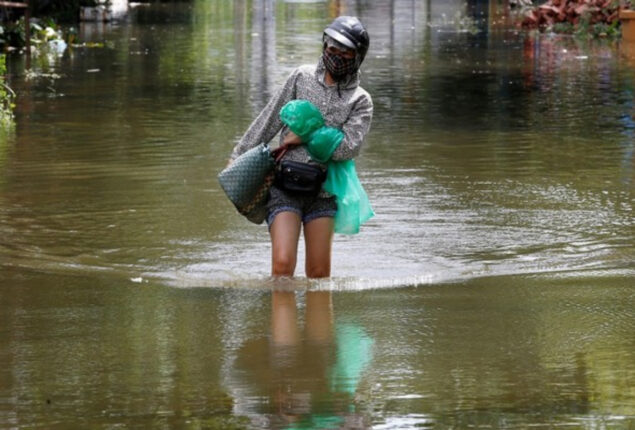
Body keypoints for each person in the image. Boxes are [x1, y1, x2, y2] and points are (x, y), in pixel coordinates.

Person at [229, 16, 373, 278]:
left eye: (345, 52)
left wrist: (304, 134)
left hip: (324, 192)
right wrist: (238, 156)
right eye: (332, 48)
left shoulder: (361, 100)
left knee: (318, 275)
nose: (337, 55)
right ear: (324, 45)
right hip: (284, 185)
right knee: (283, 266)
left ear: (357, 56)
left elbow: (348, 148)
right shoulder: (301, 77)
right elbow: (270, 118)